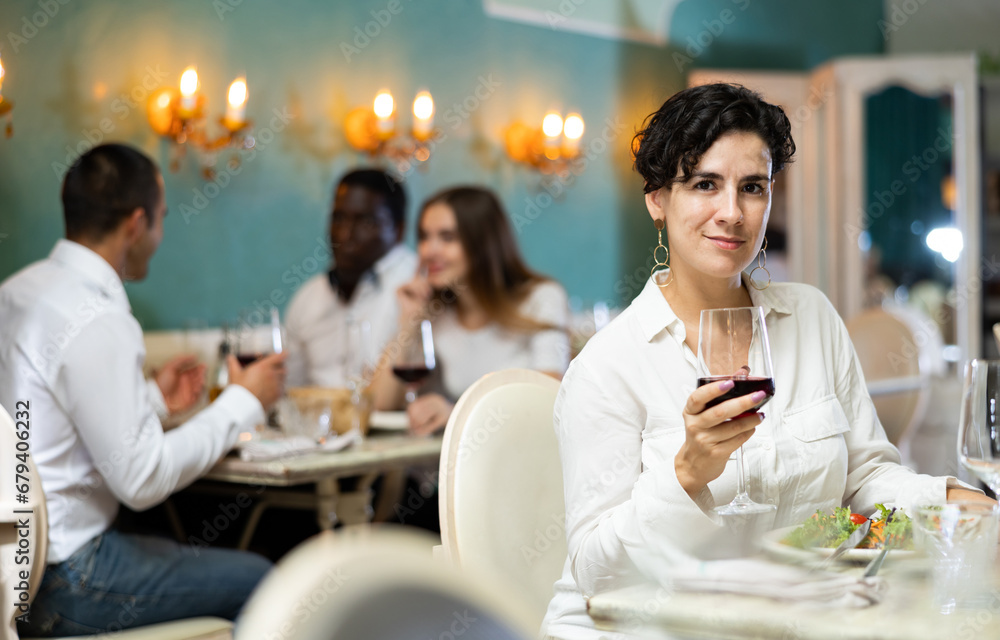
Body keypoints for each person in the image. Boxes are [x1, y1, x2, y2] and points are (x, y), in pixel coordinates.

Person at [540, 84, 989, 640]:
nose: (731, 212)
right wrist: (687, 475)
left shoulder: (812, 317)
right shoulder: (607, 368)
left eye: (752, 187)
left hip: (781, 621)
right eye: (705, 184)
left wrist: (953, 498)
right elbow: (596, 573)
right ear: (657, 197)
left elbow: (865, 476)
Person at [0, 144, 286, 637]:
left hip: (11, 567)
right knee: (266, 581)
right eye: (161, 220)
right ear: (136, 224)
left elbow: (44, 419)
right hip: (67, 577)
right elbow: (141, 479)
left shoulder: (18, 292)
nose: (159, 236)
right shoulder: (99, 316)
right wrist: (245, 401)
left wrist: (152, 398)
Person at [371, 186, 570, 436]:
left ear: (482, 243)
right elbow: (379, 403)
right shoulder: (434, 311)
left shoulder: (540, 297)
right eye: (424, 236)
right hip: (443, 466)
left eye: (447, 238)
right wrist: (409, 321)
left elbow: (549, 395)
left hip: (521, 460)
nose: (429, 251)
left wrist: (456, 413)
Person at [284, 169, 417, 388]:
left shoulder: (416, 289)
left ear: (398, 229)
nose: (344, 235)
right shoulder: (308, 297)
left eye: (364, 222)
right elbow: (290, 389)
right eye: (338, 219)